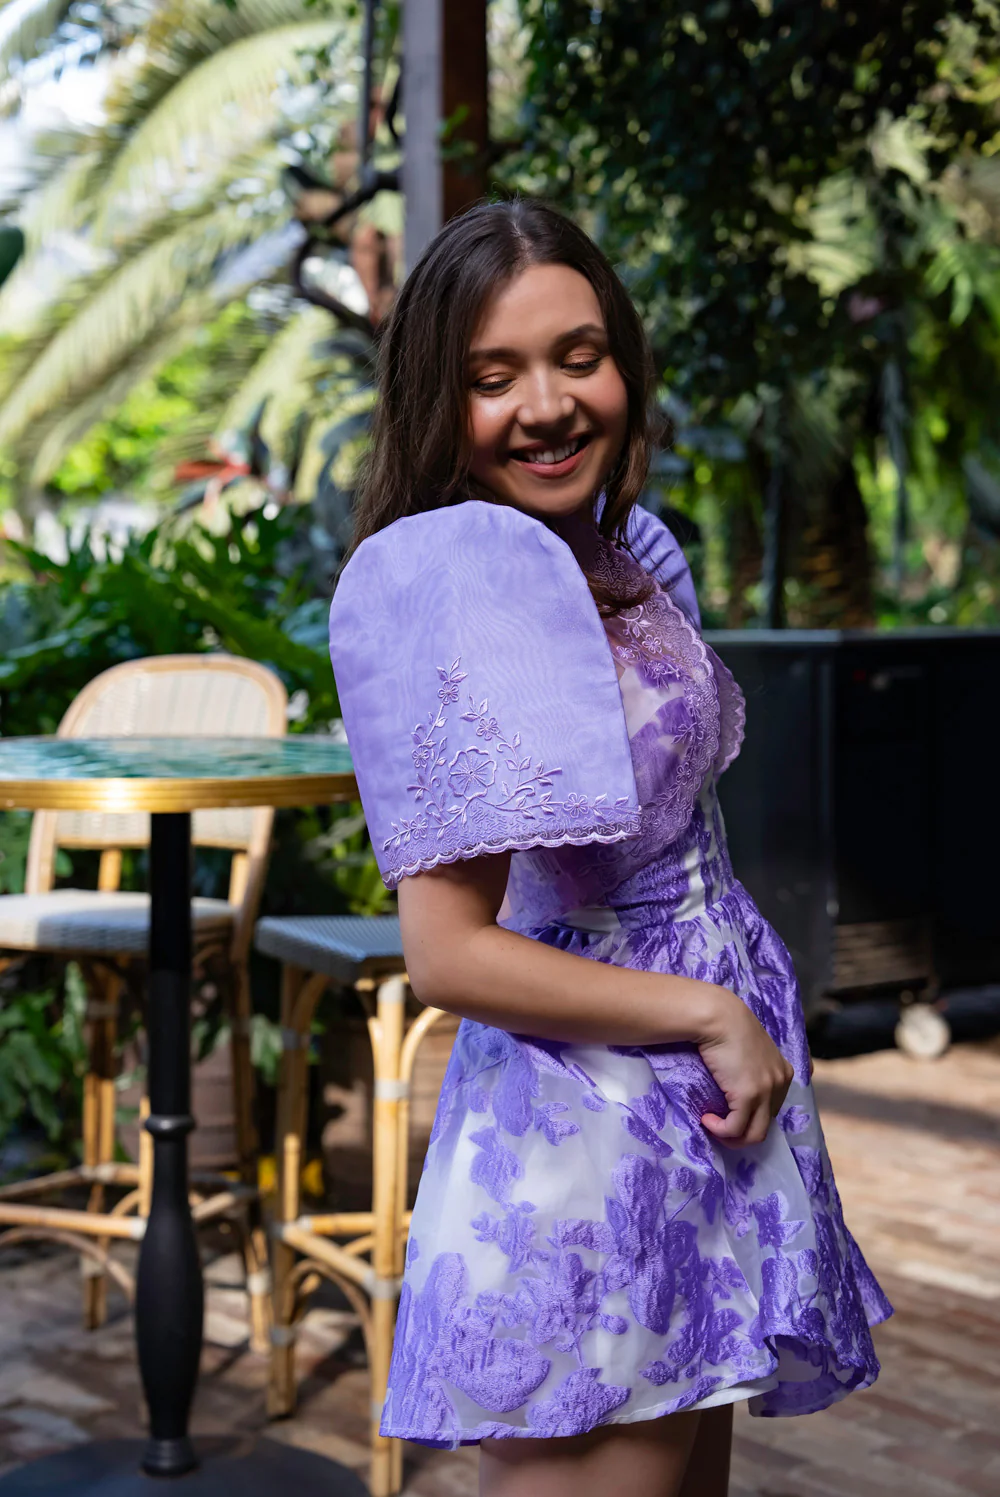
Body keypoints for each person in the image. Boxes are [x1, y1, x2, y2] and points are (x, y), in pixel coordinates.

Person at [328, 198, 891, 1497]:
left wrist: (733, 1023)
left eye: (578, 355)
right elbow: (450, 953)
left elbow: (686, 820)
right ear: (438, 400)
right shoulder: (452, 592)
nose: (547, 404)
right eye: (493, 375)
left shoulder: (634, 552)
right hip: (581, 1134)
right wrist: (705, 1012)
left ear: (624, 363)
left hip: (708, 1107)